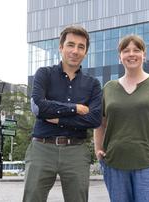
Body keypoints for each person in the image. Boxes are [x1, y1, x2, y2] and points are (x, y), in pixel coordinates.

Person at [94, 35, 149, 202]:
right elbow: (100, 124)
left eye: (136, 50)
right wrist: (98, 151)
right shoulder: (108, 88)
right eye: (126, 51)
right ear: (120, 57)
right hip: (114, 165)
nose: (131, 54)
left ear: (144, 55)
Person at [23, 25, 102, 202]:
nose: (75, 51)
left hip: (76, 150)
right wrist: (75, 108)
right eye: (70, 45)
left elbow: (95, 119)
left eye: (81, 47)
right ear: (61, 47)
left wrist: (57, 117)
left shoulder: (93, 84)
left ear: (86, 52)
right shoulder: (44, 74)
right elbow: (40, 106)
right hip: (42, 148)